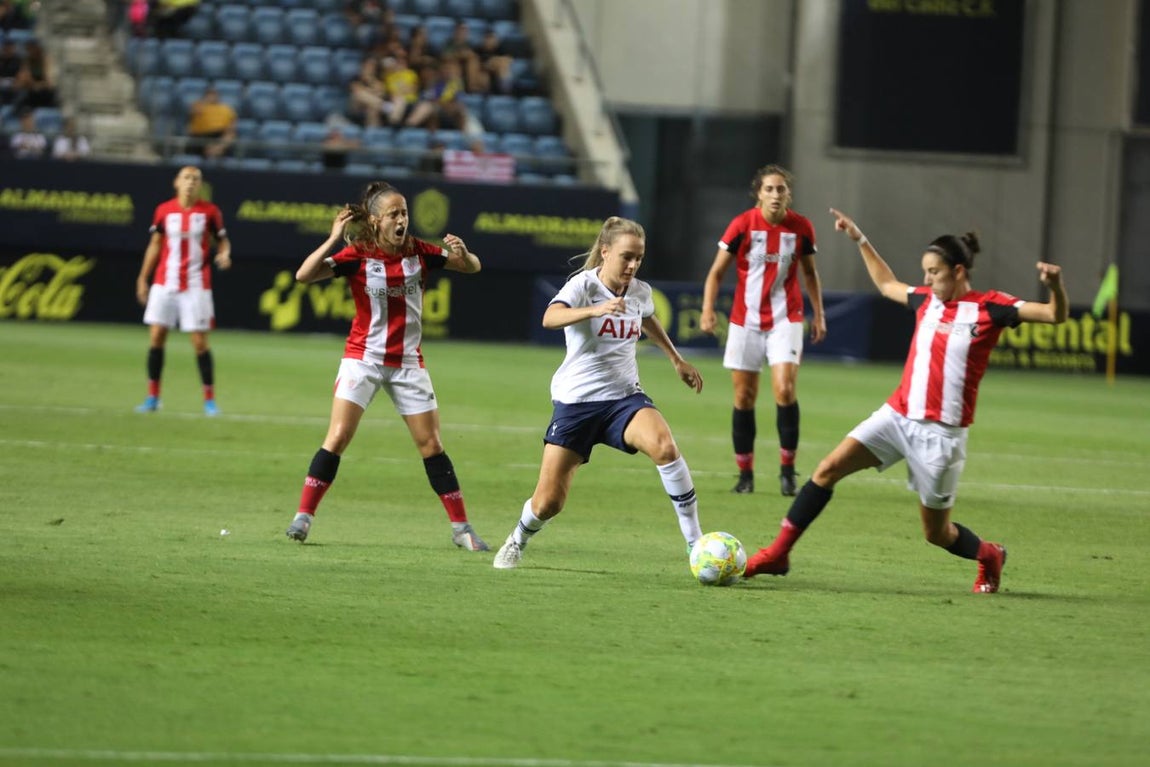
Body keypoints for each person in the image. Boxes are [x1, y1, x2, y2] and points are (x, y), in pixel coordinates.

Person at [743, 208, 1069, 593]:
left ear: (958, 272)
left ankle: (989, 554)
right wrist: (860, 238)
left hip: (942, 436)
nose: (926, 279)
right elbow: (886, 284)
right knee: (827, 469)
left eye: (934, 272)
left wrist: (1055, 285)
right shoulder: (926, 300)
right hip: (896, 417)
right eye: (925, 272)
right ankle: (779, 553)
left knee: (936, 533)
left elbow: (1054, 315)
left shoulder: (991, 307)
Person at [284, 181, 490, 552]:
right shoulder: (357, 255)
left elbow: (471, 268)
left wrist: (465, 253)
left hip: (408, 362)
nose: (402, 220)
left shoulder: (420, 251)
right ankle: (303, 517)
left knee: (431, 444)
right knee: (338, 437)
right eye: (394, 214)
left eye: (405, 213)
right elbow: (303, 275)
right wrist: (333, 238)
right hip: (362, 359)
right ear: (376, 221)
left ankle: (462, 529)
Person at [492, 216, 706, 570]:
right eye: (626, 257)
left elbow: (648, 316)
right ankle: (517, 538)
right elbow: (549, 317)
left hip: (624, 399)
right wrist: (595, 309)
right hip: (577, 404)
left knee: (665, 447)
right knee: (548, 503)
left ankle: (696, 544)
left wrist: (676, 359)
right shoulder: (584, 286)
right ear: (605, 252)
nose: (633, 265)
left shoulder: (639, 291)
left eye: (639, 257)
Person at [700, 163, 825, 497]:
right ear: (759, 193)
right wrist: (708, 309)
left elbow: (810, 273)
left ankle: (787, 471)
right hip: (746, 321)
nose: (775, 194)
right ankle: (745, 475)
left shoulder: (801, 227)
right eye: (769, 189)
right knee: (744, 396)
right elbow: (716, 273)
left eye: (781, 189)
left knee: (784, 389)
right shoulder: (742, 225)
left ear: (788, 194)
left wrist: (819, 314)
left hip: (786, 317)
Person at [134, 165, 232, 415]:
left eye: (195, 179)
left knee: (199, 342)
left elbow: (222, 240)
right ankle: (153, 397)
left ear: (200, 185)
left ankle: (209, 400)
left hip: (196, 283)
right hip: (164, 282)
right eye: (186, 178)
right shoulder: (164, 210)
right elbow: (155, 244)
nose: (190, 182)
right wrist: (143, 278)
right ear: (176, 182)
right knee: (157, 337)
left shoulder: (210, 212)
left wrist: (224, 254)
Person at [185, 85, 236, 159]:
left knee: (229, 137)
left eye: (214, 94)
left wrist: (218, 146)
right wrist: (203, 105)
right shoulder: (198, 106)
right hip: (200, 137)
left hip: (218, 135)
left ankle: (217, 150)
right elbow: (190, 119)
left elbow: (231, 129)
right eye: (209, 94)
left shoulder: (226, 109)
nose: (211, 97)